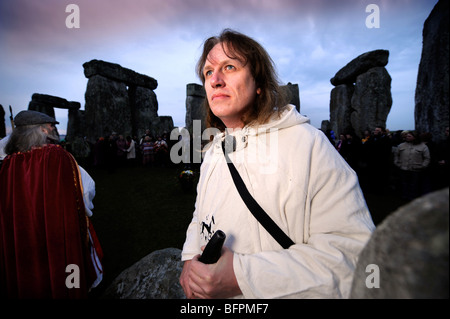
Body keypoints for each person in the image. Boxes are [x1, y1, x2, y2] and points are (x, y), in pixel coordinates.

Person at [179, 29, 375, 299]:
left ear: (259, 83)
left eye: (229, 67)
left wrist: (243, 277)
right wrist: (190, 258)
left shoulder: (308, 144)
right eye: (208, 72)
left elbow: (355, 256)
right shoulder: (214, 151)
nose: (215, 80)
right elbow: (200, 215)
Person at [0, 110, 103, 298]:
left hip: (22, 235)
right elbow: (87, 189)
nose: (54, 128)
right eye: (51, 126)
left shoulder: (8, 164)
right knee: (59, 273)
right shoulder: (56, 157)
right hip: (55, 232)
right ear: (42, 131)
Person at [394, 130, 431, 201]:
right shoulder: (401, 145)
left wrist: (423, 166)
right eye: (407, 136)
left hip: (416, 169)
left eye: (409, 136)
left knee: (414, 184)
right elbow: (396, 155)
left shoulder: (423, 146)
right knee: (404, 183)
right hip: (403, 168)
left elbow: (427, 158)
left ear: (414, 137)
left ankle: (412, 197)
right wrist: (397, 163)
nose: (406, 137)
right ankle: (404, 196)